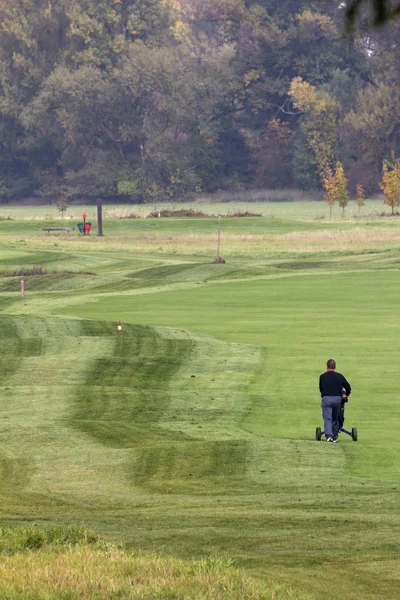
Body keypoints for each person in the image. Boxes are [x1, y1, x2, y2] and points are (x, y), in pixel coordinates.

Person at [319, 359, 351, 442]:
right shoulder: (340, 376)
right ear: (335, 367)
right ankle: (335, 436)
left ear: (327, 366)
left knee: (327, 418)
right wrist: (346, 395)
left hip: (326, 398)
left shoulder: (322, 376)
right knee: (335, 418)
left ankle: (329, 435)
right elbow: (348, 387)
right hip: (337, 399)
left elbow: (321, 389)